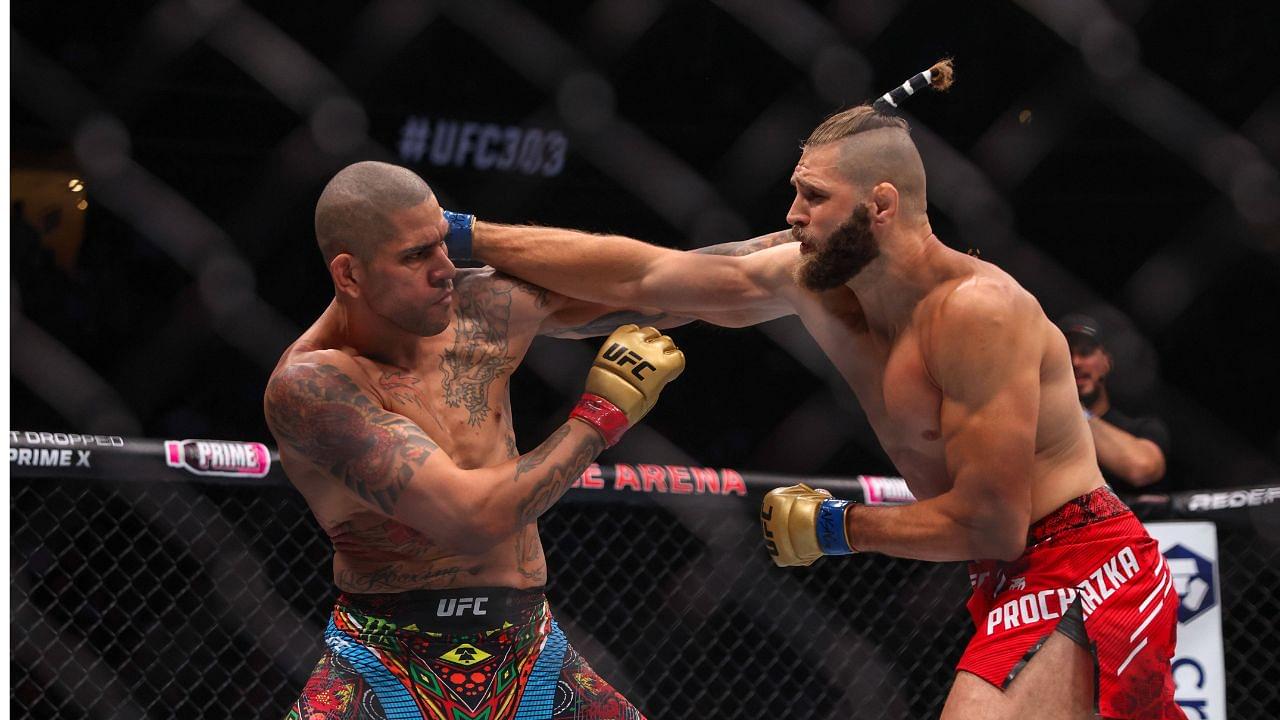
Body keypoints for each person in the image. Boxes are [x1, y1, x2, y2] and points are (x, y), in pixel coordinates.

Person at [453, 62, 1181, 719]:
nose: (794, 216)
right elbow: (646, 278)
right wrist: (467, 238)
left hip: (1082, 559)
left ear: (882, 206)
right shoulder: (809, 279)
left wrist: (840, 526)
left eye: (813, 196)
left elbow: (993, 522)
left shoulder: (976, 312)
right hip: (1008, 574)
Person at [262, 161, 686, 720]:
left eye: (443, 244)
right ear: (350, 274)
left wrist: (818, 248)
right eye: (416, 255)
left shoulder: (481, 314)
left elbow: (681, 282)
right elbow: (470, 518)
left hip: (529, 648)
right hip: (386, 660)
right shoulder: (314, 385)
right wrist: (599, 418)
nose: (446, 269)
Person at [1058, 313, 1171, 492]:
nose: (1075, 362)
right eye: (1066, 354)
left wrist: (1074, 411)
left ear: (1106, 362)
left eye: (1085, 352)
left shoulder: (1140, 428)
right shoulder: (1044, 432)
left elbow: (1143, 468)